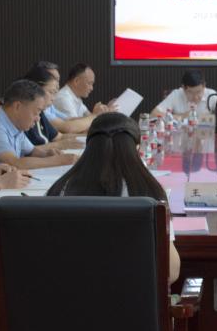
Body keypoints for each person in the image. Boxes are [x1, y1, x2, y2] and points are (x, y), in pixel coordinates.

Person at [47, 112, 180, 283]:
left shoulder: (60, 190)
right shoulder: (149, 194)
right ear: (137, 149)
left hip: (67, 294)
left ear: (89, 147)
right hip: (133, 297)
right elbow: (171, 271)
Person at [0, 80, 76, 171]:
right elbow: (16, 163)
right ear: (18, 106)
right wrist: (58, 161)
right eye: (37, 112)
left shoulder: (14, 125)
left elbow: (32, 151)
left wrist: (47, 154)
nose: (38, 118)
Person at [22, 66, 83, 149]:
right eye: (51, 92)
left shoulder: (41, 113)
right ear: (37, 89)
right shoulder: (25, 115)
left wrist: (87, 136)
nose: (53, 98)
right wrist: (58, 145)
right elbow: (27, 151)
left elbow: (59, 137)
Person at [151, 69, 217, 118]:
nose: (195, 97)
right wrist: (182, 116)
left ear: (204, 86)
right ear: (183, 88)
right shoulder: (176, 95)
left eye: (199, 92)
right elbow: (154, 114)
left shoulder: (212, 95)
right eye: (191, 93)